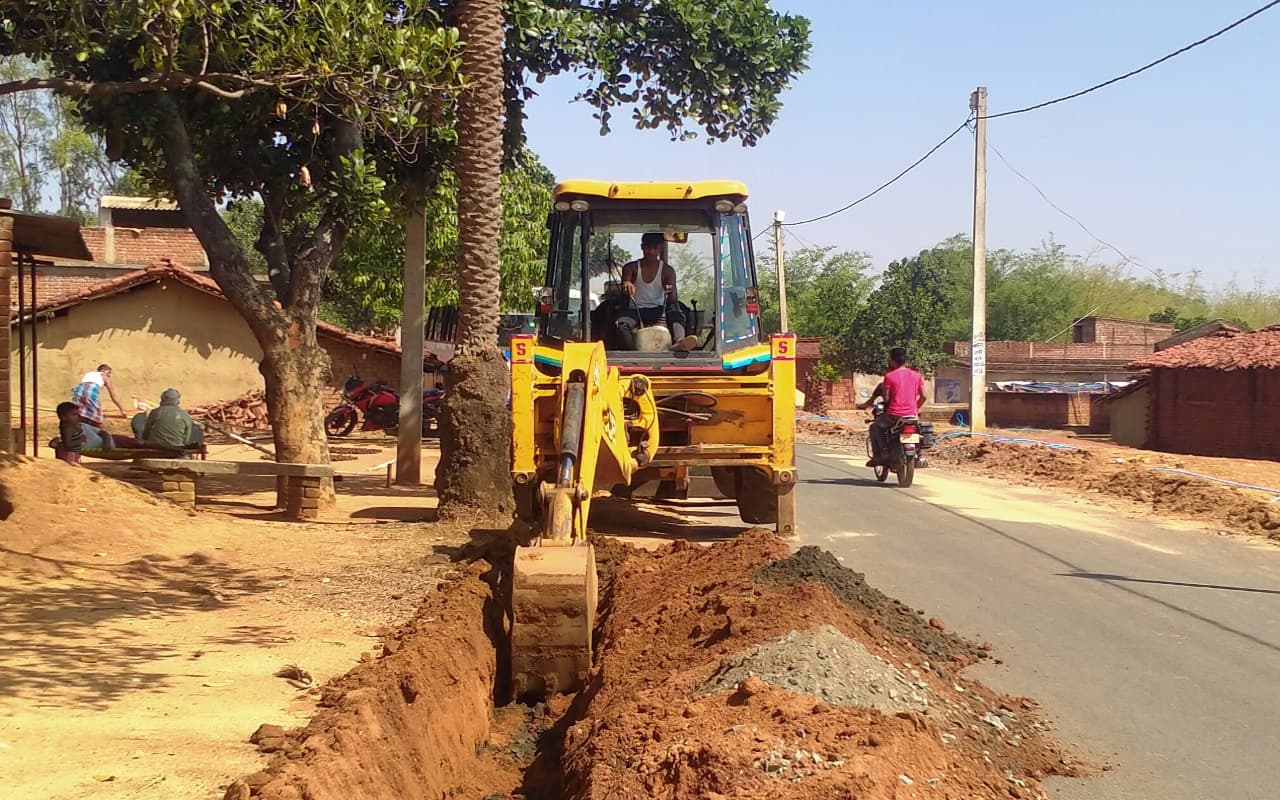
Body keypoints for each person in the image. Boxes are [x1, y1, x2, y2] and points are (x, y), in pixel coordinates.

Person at [618, 232, 698, 352]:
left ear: (660, 248)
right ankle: (634, 351)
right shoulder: (631, 268)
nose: (651, 251)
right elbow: (625, 285)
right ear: (642, 247)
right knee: (622, 323)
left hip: (659, 310)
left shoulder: (667, 270)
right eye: (647, 248)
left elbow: (673, 299)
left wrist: (670, 290)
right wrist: (627, 285)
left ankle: (679, 342)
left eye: (654, 248)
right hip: (636, 310)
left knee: (677, 315)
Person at [858, 347, 927, 468]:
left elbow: (886, 399)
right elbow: (924, 396)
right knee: (918, 429)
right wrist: (915, 408)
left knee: (875, 427)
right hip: (911, 415)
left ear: (892, 361)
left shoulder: (889, 376)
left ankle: (882, 453)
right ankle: (920, 455)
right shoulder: (917, 376)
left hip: (894, 415)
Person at [133, 388, 203, 453]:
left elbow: (146, 432)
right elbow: (186, 438)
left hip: (157, 447)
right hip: (178, 448)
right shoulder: (185, 415)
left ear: (162, 399)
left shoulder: (156, 412)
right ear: (178, 401)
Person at [71, 364, 128, 428]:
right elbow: (113, 396)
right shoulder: (104, 376)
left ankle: (80, 430)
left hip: (78, 392)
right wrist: (122, 410)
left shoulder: (90, 374)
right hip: (90, 392)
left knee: (81, 414)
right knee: (97, 420)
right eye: (109, 372)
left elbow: (85, 386)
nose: (109, 375)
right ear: (103, 371)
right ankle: (99, 432)